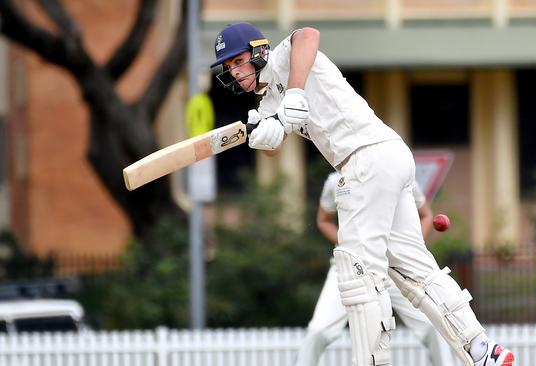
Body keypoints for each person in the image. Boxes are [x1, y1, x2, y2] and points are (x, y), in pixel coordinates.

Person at [210, 22, 516, 366]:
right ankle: (481, 349)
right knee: (412, 271)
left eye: (238, 62)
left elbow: (308, 33)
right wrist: (263, 134)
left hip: (365, 161)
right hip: (389, 156)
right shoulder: (268, 101)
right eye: (230, 67)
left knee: (359, 273)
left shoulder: (287, 56)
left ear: (258, 51)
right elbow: (274, 147)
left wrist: (295, 93)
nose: (235, 73)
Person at [295, 171, 454, 366]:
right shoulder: (337, 180)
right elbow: (323, 220)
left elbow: (426, 215)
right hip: (349, 267)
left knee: (433, 327)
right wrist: (351, 243)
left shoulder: (400, 171)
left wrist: (409, 248)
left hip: (394, 265)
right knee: (318, 331)